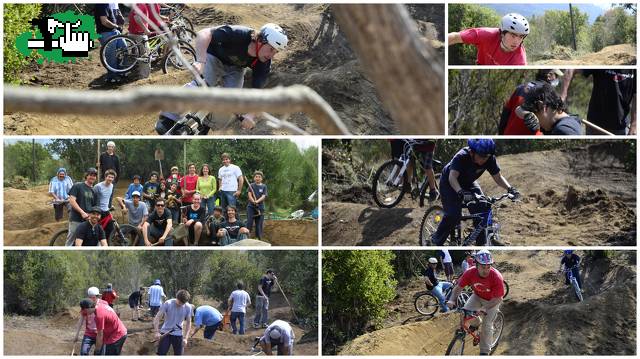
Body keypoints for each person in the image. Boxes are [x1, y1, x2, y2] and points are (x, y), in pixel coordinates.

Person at [156, 23, 289, 133]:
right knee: (202, 86)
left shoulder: (264, 62)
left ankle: (202, 126)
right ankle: (168, 117)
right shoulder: (239, 34)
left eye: (276, 52)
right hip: (214, 56)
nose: (272, 55)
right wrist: (201, 61)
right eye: (271, 49)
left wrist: (250, 115)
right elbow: (204, 33)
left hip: (236, 68)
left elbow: (258, 92)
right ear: (260, 40)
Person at [431, 139, 520, 246]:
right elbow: (452, 177)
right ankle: (436, 240)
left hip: (468, 182)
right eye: (481, 156)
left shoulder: (489, 159)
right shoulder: (461, 156)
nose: (484, 159)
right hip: (449, 183)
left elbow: (498, 177)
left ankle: (481, 245)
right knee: (453, 214)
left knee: (482, 207)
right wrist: (461, 192)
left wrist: (510, 189)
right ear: (472, 152)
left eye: (486, 157)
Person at [446, 250, 504, 356]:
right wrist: (451, 299)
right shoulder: (470, 272)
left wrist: (485, 308)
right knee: (465, 313)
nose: (486, 270)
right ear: (476, 264)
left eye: (488, 266)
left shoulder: (496, 277)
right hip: (477, 296)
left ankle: (485, 351)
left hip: (492, 301)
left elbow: (499, 298)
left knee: (487, 326)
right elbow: (458, 288)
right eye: (483, 267)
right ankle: (475, 323)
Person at [561, 69, 636, 135]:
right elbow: (571, 69)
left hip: (619, 126)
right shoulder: (603, 63)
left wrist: (634, 124)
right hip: (594, 125)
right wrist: (563, 96)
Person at [498, 69, 564, 135]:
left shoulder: (520, 88)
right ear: (549, 76)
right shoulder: (546, 94)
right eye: (556, 76)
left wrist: (501, 134)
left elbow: (505, 114)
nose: (557, 79)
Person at [448, 13, 529, 65]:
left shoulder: (519, 61)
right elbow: (455, 37)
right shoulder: (486, 35)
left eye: (521, 37)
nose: (517, 42)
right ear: (502, 33)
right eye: (513, 35)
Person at [518, 82, 584, 135]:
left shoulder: (562, 130)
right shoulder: (564, 121)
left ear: (542, 106)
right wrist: (527, 114)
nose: (538, 123)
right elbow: (518, 109)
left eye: (534, 114)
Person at [65, 168, 99, 246]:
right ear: (86, 176)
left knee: (84, 241)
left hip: (87, 220)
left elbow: (94, 207)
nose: (92, 177)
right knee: (71, 240)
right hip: (76, 219)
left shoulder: (94, 191)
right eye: (91, 175)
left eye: (94, 176)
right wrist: (82, 212)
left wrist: (91, 216)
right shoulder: (78, 186)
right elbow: (72, 200)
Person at [154, 289, 193, 356]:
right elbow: (157, 317)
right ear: (176, 297)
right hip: (165, 332)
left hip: (178, 333)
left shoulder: (188, 307)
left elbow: (189, 322)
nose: (180, 304)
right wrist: (156, 332)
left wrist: (186, 338)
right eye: (179, 302)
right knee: (161, 353)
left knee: (179, 354)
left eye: (182, 303)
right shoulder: (168, 303)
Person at [73, 287, 109, 355]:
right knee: (83, 353)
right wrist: (77, 334)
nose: (91, 299)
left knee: (99, 354)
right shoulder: (86, 304)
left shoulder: (104, 303)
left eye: (93, 297)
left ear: (97, 296)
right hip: (88, 334)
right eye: (89, 297)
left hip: (100, 334)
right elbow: (81, 318)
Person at [94, 5, 124, 83]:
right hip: (106, 33)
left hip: (114, 31)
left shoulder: (107, 4)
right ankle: (112, 77)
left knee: (123, 49)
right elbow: (104, 21)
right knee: (111, 56)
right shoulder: (102, 5)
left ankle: (120, 71)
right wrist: (116, 26)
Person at [93, 169, 117, 237]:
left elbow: (110, 197)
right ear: (105, 177)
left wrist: (110, 206)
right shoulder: (98, 186)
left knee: (110, 229)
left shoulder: (112, 186)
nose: (110, 179)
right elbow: (93, 199)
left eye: (112, 177)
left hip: (106, 210)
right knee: (97, 230)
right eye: (109, 177)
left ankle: (106, 245)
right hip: (98, 211)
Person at [246, 171, 267, 240]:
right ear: (254, 178)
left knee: (259, 223)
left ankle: (259, 237)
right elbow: (249, 194)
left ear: (262, 178)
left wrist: (257, 201)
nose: (257, 178)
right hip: (251, 207)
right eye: (256, 177)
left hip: (260, 207)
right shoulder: (251, 185)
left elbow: (264, 196)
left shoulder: (264, 186)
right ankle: (247, 236)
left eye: (259, 177)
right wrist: (253, 201)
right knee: (249, 222)